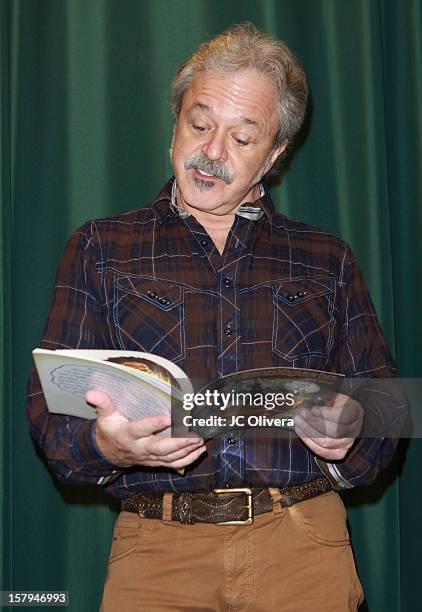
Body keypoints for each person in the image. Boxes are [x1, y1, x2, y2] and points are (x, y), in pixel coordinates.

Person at [26, 23, 401, 611]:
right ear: (175, 120)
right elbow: (50, 418)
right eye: (200, 125)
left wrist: (356, 428)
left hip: (302, 546)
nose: (213, 153)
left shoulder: (328, 257)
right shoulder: (99, 247)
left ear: (275, 155)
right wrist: (110, 444)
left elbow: (388, 409)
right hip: (155, 550)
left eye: (243, 138)